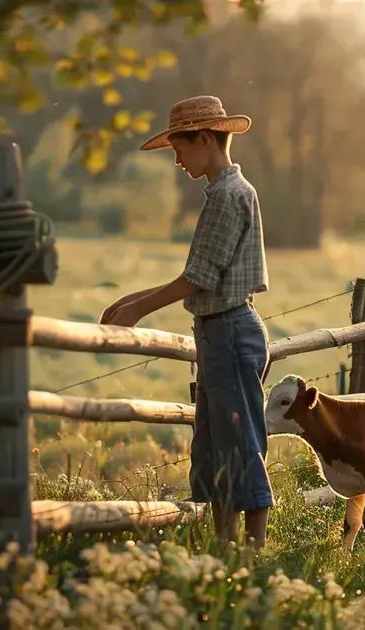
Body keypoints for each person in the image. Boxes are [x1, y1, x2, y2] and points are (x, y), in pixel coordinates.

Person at [99, 95, 273, 550]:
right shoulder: (226, 193)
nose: (176, 160)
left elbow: (198, 277)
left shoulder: (228, 197)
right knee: (215, 445)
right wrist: (130, 300)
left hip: (230, 331)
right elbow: (198, 277)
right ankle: (225, 546)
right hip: (222, 330)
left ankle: (250, 551)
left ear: (205, 139)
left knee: (239, 440)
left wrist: (137, 309)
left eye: (179, 148)